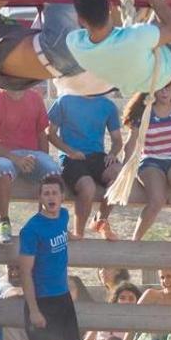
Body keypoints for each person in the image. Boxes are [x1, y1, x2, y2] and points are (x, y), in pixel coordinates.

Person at [123, 82, 171, 244]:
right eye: (161, 87)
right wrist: (124, 170)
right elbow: (131, 143)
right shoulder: (144, 110)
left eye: (169, 87)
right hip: (150, 161)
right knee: (157, 199)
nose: (165, 92)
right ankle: (135, 240)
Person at [0, 88, 60, 244]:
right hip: (4, 154)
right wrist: (16, 159)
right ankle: (4, 221)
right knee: (3, 171)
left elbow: (41, 134)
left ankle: (45, 222)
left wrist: (43, 158)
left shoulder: (35, 98)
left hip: (32, 153)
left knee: (53, 171)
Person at [19, 175, 80, 340]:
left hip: (62, 296)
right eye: (46, 193)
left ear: (62, 196)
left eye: (54, 193)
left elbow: (62, 230)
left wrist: (72, 236)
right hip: (42, 299)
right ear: (40, 198)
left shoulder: (63, 215)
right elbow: (25, 272)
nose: (51, 197)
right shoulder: (31, 229)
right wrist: (34, 310)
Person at [47, 94, 122, 240]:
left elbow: (118, 140)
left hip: (97, 156)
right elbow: (50, 134)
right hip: (70, 157)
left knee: (120, 175)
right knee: (88, 187)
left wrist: (113, 153)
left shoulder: (108, 105)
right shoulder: (64, 101)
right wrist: (70, 151)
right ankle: (78, 234)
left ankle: (101, 220)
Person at [77, 282, 141, 340]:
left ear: (137, 301)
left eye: (131, 299)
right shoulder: (103, 318)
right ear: (116, 300)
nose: (126, 301)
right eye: (122, 298)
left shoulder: (139, 322)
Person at [0, 264, 35, 340]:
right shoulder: (1, 284)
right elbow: (12, 294)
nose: (14, 273)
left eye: (18, 267)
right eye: (10, 268)